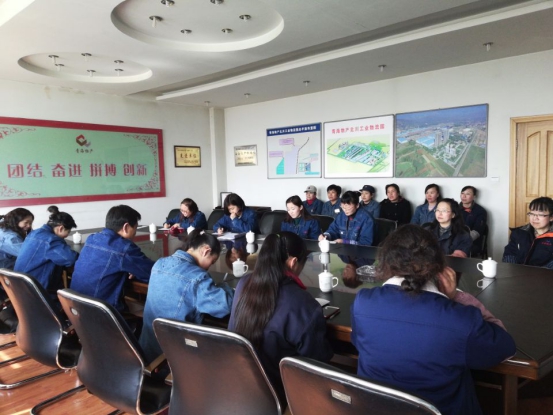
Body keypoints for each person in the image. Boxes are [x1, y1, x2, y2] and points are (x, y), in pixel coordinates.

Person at [351, 224, 516, 415]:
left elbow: (358, 342)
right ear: (438, 265)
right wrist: (457, 297)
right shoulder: (459, 319)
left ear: (387, 262)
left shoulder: (363, 302)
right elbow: (505, 347)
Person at [229, 232, 333, 404]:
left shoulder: (243, 283)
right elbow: (318, 363)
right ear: (293, 262)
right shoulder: (303, 302)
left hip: (238, 386)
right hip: (281, 396)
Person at [140, 230, 234, 363]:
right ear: (205, 251)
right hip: (175, 359)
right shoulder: (197, 278)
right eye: (212, 261)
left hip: (147, 351)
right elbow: (224, 305)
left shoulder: (159, 264)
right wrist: (224, 286)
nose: (209, 267)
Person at [70, 205, 154, 311]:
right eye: (135, 228)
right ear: (126, 227)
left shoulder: (92, 239)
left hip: (75, 309)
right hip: (101, 314)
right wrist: (136, 271)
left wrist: (131, 268)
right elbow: (152, 272)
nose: (135, 233)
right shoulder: (124, 248)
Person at [14, 206, 78, 294]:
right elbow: (70, 259)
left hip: (19, 287)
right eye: (68, 232)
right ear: (60, 228)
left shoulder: (35, 233)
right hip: (35, 291)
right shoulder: (50, 240)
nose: (67, 235)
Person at [503, 196, 553, 268]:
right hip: (518, 273)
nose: (535, 218)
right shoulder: (519, 233)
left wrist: (537, 273)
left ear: (551, 217)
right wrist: (514, 271)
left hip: (544, 274)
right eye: (532, 214)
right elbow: (510, 254)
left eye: (540, 214)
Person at [460, 186, 488, 257]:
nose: (464, 196)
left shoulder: (480, 211)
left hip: (472, 242)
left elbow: (477, 231)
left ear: (474, 197)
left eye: (468, 194)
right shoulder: (454, 208)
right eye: (462, 193)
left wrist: (461, 241)